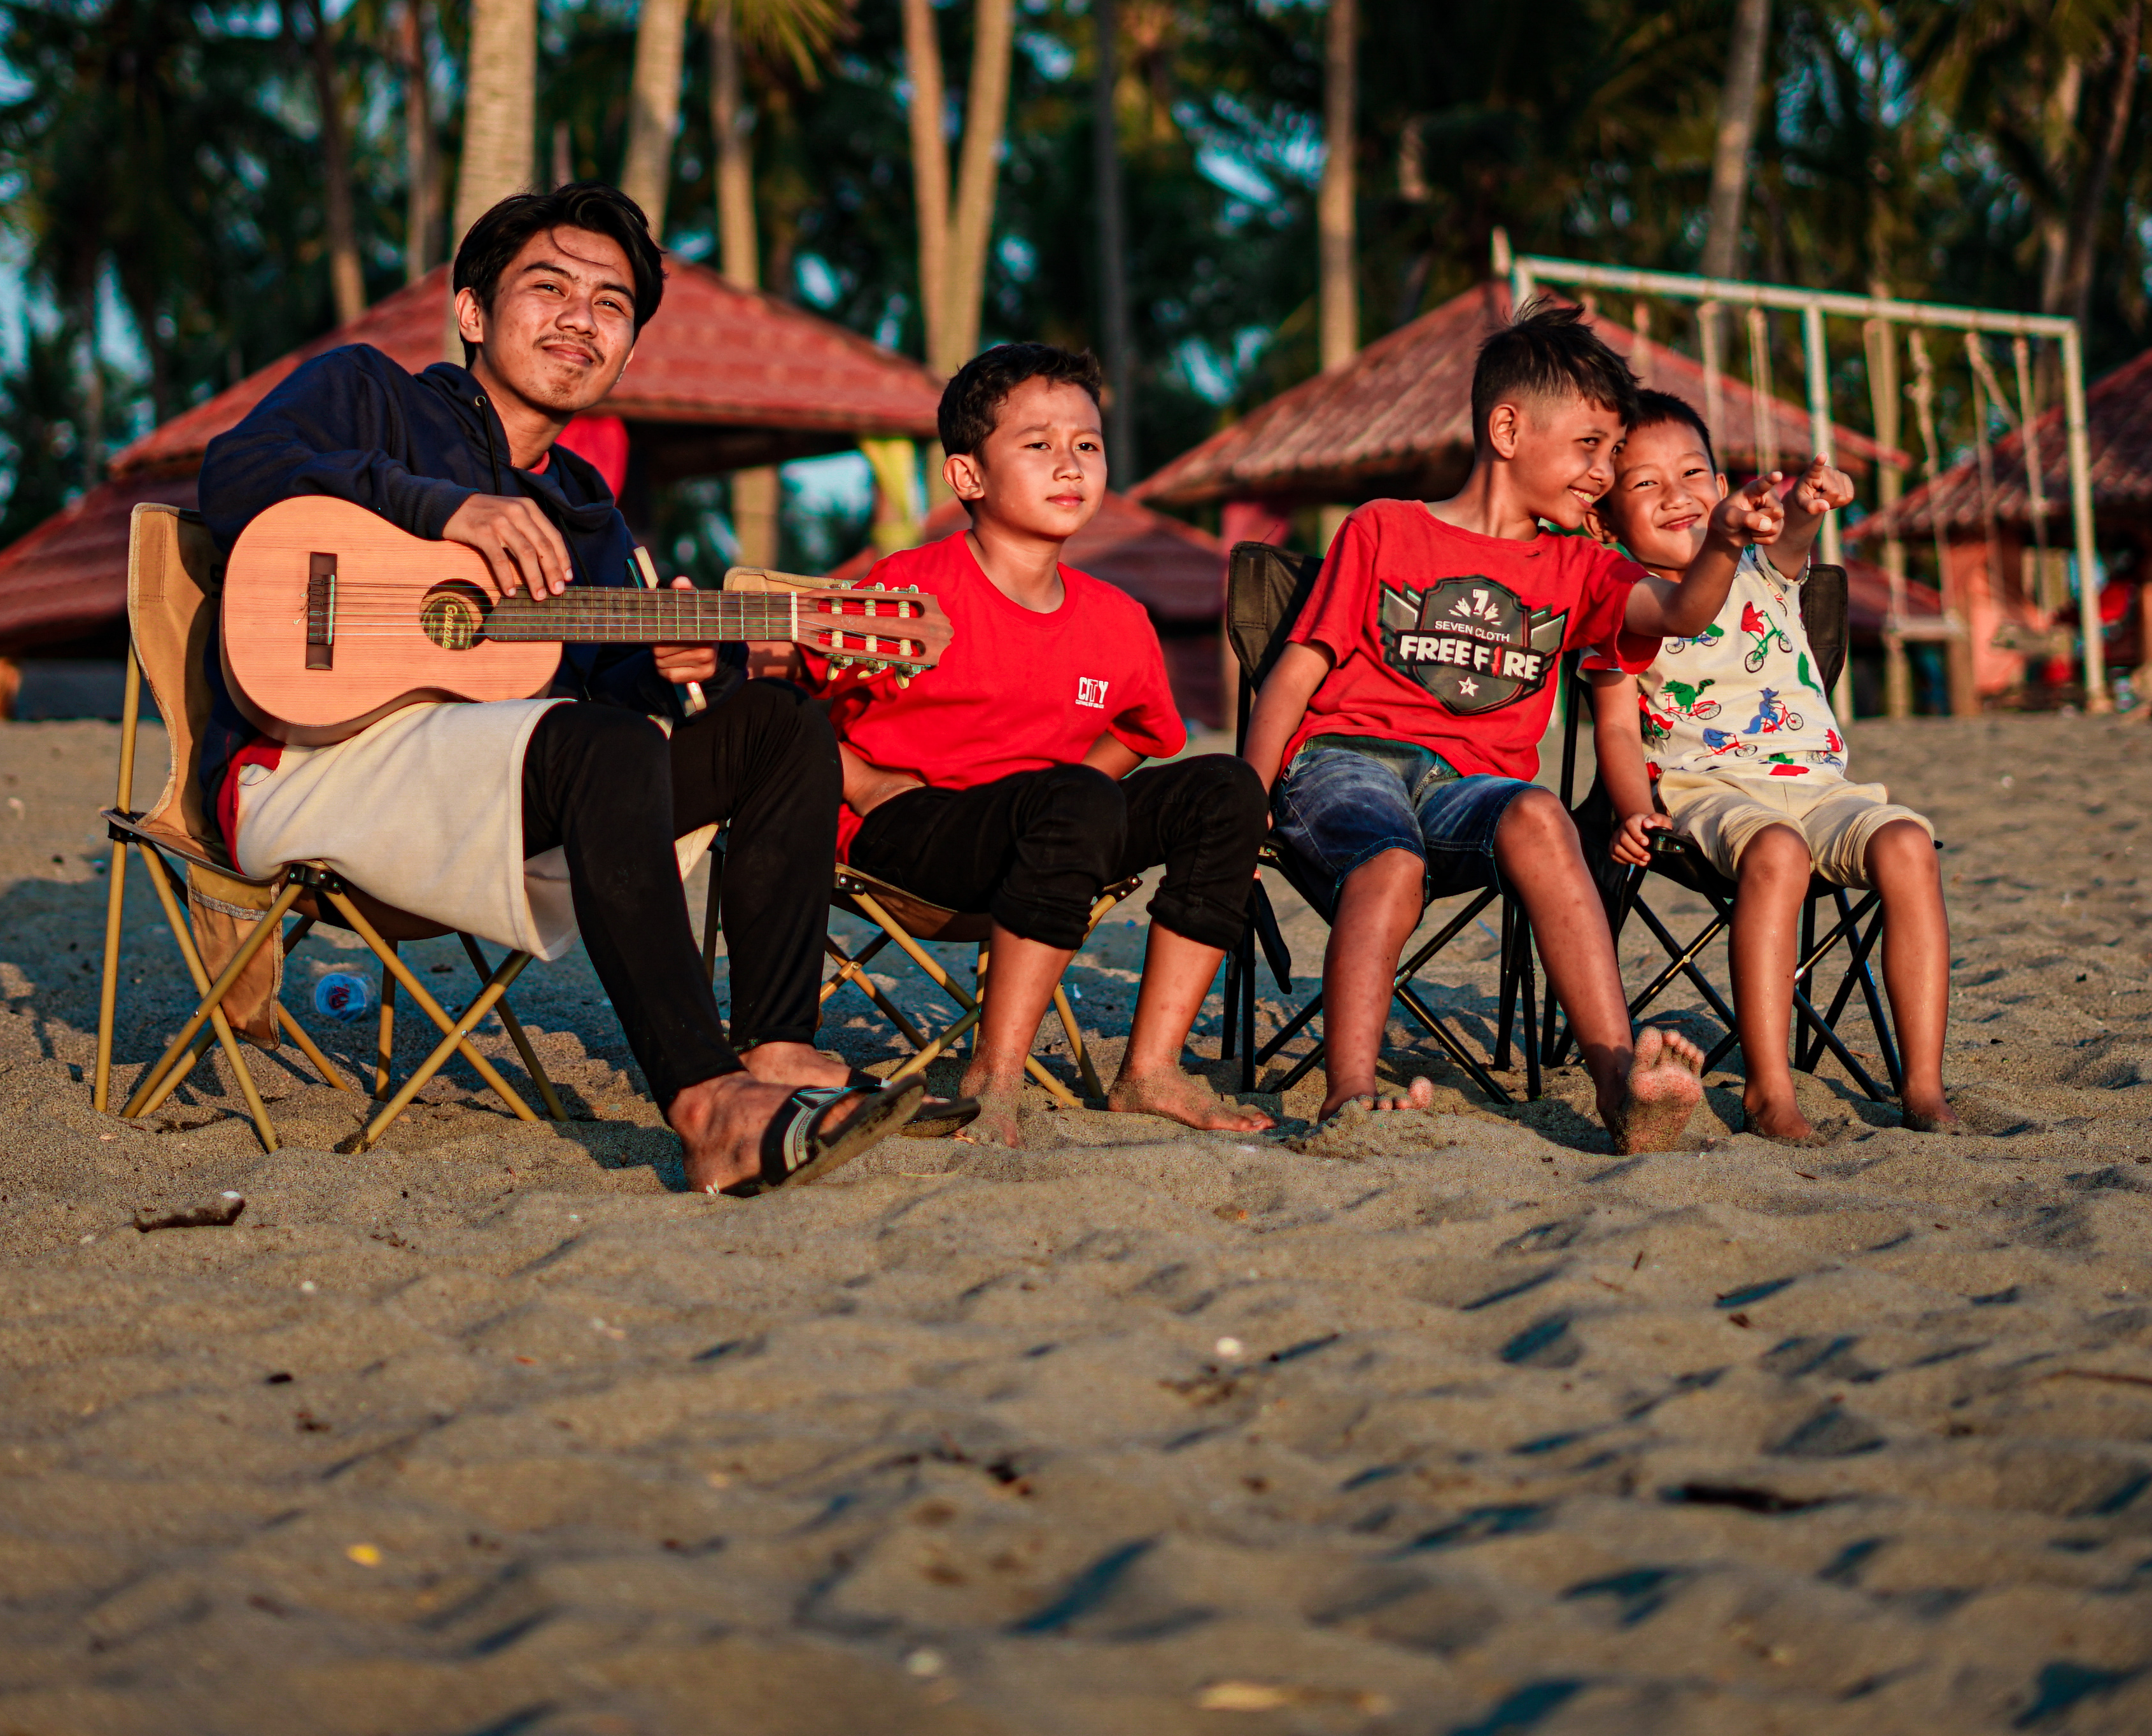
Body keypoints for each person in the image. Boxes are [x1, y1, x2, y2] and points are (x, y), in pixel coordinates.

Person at [195, 184, 897, 1198]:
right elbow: (237, 473)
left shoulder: (590, 519)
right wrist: (441, 509)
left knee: (776, 724)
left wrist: (684, 665)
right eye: (550, 287)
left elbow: (603, 692)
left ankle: (779, 1048)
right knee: (595, 744)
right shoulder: (369, 394)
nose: (581, 318)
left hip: (496, 789)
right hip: (312, 765)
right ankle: (708, 1108)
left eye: (612, 305)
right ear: (473, 313)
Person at [1240, 297, 1731, 1148]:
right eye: (1590, 447)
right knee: (1390, 864)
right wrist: (1244, 799)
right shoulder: (1384, 528)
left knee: (1541, 812)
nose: (1605, 474)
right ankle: (1349, 1095)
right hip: (1344, 764)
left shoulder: (1582, 567)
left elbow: (1683, 610)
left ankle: (1621, 1088)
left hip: (1469, 792)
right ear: (1507, 429)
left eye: (1615, 455)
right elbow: (1299, 668)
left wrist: (1724, 543)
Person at [815, 344, 1276, 1147]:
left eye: (1087, 446)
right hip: (914, 830)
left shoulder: (1119, 619)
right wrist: (860, 782)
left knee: (1227, 788)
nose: (1070, 465)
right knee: (1076, 797)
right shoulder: (905, 591)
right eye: (1038, 445)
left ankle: (1152, 1068)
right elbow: (793, 713)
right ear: (968, 477)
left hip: (1060, 829)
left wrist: (1087, 806)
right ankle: (994, 1075)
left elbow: (1144, 732)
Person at [1596, 390, 1954, 1140]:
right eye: (1645, 484)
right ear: (1606, 518)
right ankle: (1768, 1088)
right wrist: (1634, 806)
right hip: (1709, 790)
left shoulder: (1764, 570)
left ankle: (1922, 1084)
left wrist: (1809, 504)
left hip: (1820, 784)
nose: (1676, 497)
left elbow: (1790, 538)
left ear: (1724, 491)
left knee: (1908, 844)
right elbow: (1618, 732)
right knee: (1779, 852)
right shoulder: (1619, 600)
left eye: (1694, 473)